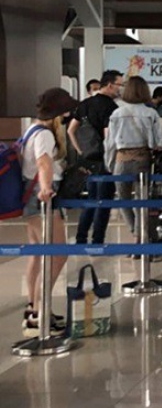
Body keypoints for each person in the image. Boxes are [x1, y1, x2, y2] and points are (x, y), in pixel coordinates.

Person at [21, 88, 79, 336]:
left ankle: (33, 309)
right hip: (42, 198)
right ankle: (39, 312)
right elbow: (43, 162)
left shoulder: (31, 129)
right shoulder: (44, 134)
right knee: (57, 255)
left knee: (38, 255)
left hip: (30, 197)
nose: (67, 116)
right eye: (65, 112)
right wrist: (46, 188)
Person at [104, 76, 162, 236]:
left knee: (123, 199)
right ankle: (142, 236)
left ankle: (133, 230)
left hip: (121, 160)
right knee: (142, 200)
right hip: (143, 160)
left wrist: (109, 164)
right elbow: (161, 141)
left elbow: (110, 144)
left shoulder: (117, 113)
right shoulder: (151, 113)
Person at [68, 70, 124, 245]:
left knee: (91, 199)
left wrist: (80, 151)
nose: (121, 89)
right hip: (103, 160)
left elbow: (71, 130)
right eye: (119, 85)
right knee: (104, 201)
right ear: (110, 85)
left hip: (87, 159)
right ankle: (98, 239)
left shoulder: (84, 104)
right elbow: (108, 137)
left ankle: (81, 237)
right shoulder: (110, 107)